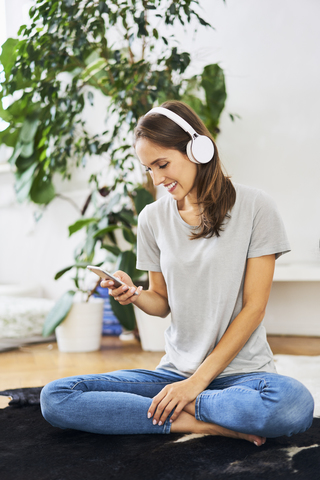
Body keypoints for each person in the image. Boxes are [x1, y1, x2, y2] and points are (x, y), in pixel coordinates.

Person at [41, 101, 314, 446]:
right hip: (173, 372)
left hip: (242, 377)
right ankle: (202, 424)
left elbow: (254, 309)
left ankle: (168, 411)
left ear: (197, 148)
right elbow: (161, 303)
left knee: (293, 404)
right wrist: (135, 295)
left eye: (162, 164)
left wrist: (195, 385)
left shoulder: (256, 207)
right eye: (148, 169)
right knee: (57, 396)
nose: (157, 179)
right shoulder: (152, 219)